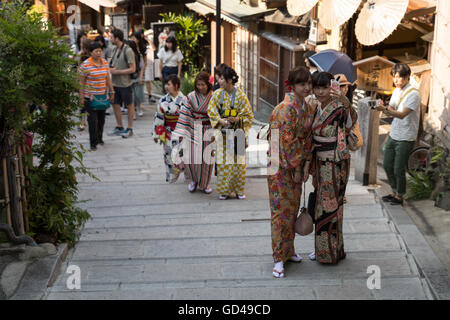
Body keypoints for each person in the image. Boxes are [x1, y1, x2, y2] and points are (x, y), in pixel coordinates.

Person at [267, 67, 315, 278]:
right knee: (280, 212)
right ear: (292, 86)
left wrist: (304, 166)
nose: (307, 88)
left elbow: (306, 139)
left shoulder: (303, 106)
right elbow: (288, 142)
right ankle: (278, 258)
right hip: (280, 165)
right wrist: (297, 167)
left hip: (294, 163)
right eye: (302, 84)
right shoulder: (286, 109)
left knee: (292, 209)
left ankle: (289, 250)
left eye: (308, 84)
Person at [309, 72, 357, 264]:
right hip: (320, 163)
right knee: (323, 207)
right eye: (317, 88)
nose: (320, 92)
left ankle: (329, 252)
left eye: (324, 87)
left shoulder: (339, 107)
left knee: (329, 207)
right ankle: (329, 249)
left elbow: (352, 123)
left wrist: (346, 103)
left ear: (331, 87)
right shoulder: (314, 107)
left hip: (335, 163)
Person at [375, 63, 420, 206]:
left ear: (407, 77)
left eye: (399, 77)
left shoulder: (414, 94)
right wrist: (384, 106)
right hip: (394, 133)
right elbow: (391, 107)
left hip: (406, 136)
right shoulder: (396, 91)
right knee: (387, 164)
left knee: (398, 167)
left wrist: (385, 110)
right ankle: (394, 191)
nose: (396, 80)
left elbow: (401, 114)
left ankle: (399, 196)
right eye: (394, 77)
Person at [207, 66, 254, 200]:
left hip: (238, 132)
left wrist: (238, 119)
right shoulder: (217, 94)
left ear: (229, 80)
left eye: (222, 78)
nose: (219, 81)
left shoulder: (240, 95)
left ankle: (239, 190)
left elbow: (249, 115)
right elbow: (211, 111)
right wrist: (220, 120)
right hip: (223, 133)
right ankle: (224, 190)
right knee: (223, 163)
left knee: (239, 162)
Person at [172, 71, 215, 194]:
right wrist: (182, 131)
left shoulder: (214, 97)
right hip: (193, 128)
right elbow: (185, 114)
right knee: (191, 157)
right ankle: (193, 180)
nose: (200, 87)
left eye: (203, 84)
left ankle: (205, 183)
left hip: (208, 129)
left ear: (208, 84)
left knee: (206, 159)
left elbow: (217, 113)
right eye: (198, 84)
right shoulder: (190, 97)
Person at [79, 41, 114, 150]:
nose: (99, 53)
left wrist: (111, 91)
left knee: (101, 119)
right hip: (90, 97)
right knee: (92, 120)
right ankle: (93, 143)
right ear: (90, 52)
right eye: (96, 51)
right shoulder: (85, 65)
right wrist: (81, 97)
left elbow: (107, 78)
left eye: (100, 51)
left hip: (102, 96)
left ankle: (99, 137)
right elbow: (81, 82)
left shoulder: (104, 63)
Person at [152, 74, 186, 183]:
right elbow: (159, 117)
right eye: (165, 84)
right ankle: (172, 175)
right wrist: (157, 134)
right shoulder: (163, 100)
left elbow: (187, 117)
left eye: (169, 84)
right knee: (168, 154)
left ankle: (184, 172)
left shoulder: (184, 99)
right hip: (167, 131)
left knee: (182, 154)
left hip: (181, 131)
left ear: (176, 86)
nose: (166, 87)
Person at [108, 28, 136, 138]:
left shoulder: (128, 50)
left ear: (117, 38)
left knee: (129, 105)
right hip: (115, 83)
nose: (110, 39)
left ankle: (129, 128)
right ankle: (119, 126)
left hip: (125, 83)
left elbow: (132, 69)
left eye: (111, 37)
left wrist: (117, 71)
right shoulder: (115, 49)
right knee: (115, 105)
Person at [127, 40, 145, 119]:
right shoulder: (125, 55)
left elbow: (142, 67)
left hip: (137, 76)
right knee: (131, 96)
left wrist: (141, 77)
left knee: (138, 95)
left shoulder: (138, 55)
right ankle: (132, 112)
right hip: (128, 78)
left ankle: (139, 108)